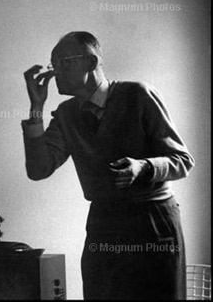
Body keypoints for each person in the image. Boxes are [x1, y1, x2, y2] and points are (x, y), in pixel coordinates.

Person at [22, 31, 194, 300]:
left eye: (64, 62)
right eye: (53, 65)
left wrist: (143, 168)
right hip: (104, 224)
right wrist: (36, 108)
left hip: (152, 222)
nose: (56, 72)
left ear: (91, 63)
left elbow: (182, 160)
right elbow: (38, 170)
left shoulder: (138, 95)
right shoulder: (67, 114)